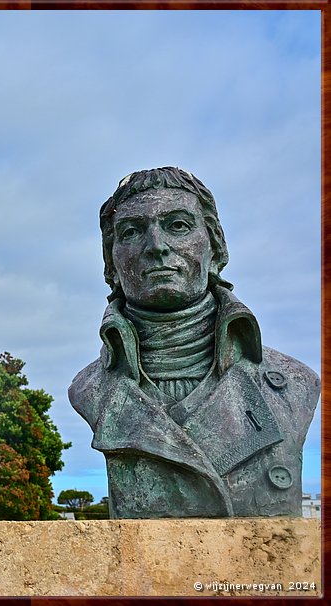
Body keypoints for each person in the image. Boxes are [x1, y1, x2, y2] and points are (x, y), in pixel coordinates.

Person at [69, 167, 318, 518]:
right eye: (131, 231)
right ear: (111, 264)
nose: (156, 246)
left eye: (178, 226)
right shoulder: (92, 390)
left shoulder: (295, 384)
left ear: (215, 247)